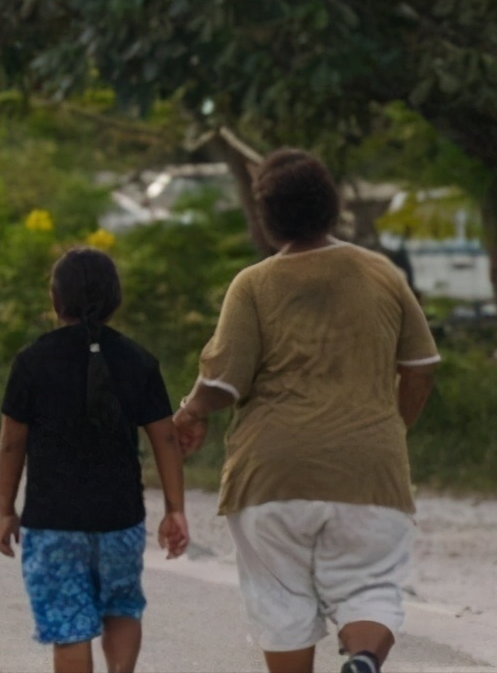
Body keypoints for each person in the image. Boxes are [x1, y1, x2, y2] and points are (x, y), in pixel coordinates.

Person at [171, 149, 439, 673]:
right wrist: (388, 429)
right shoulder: (381, 274)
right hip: (369, 470)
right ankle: (362, 659)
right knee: (370, 590)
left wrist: (191, 412)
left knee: (282, 603)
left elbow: (223, 382)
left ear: (266, 218)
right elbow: (421, 368)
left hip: (271, 475)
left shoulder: (253, 284)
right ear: (331, 207)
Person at [0, 248, 190, 673]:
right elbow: (167, 439)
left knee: (70, 626)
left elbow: (11, 445)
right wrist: (175, 509)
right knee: (121, 607)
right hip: (120, 520)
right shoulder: (139, 361)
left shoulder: (32, 362)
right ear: (114, 298)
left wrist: (6, 510)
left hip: (53, 523)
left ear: (55, 299)